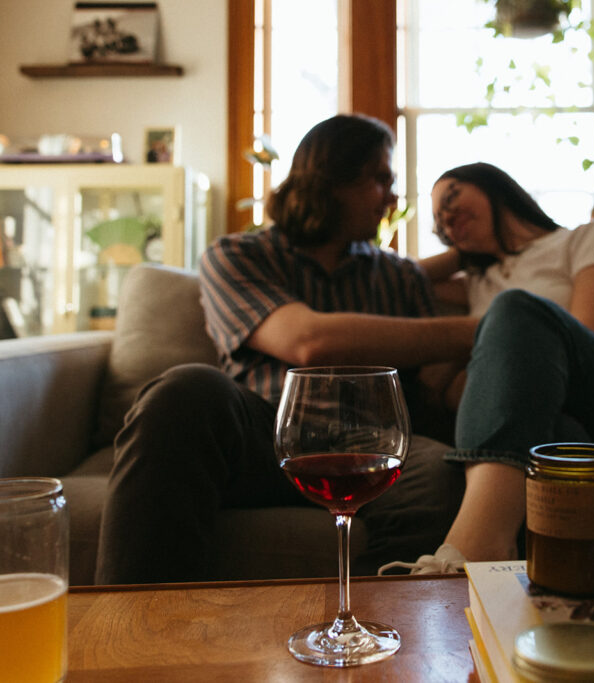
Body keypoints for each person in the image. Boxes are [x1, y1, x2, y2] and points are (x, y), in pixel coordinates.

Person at [95, 114, 477, 584]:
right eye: (380, 180)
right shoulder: (237, 255)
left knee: (435, 471)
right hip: (266, 439)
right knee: (186, 389)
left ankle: (375, 630)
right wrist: (475, 330)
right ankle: (134, 632)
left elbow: (435, 385)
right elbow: (307, 341)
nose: (391, 198)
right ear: (331, 180)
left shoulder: (401, 276)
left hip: (374, 445)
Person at [380, 162, 594, 573]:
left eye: (453, 196)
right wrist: (459, 250)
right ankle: (502, 573)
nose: (446, 215)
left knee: (516, 309)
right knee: (553, 443)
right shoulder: (478, 280)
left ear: (494, 186)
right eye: (439, 218)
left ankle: (475, 548)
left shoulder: (586, 239)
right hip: (568, 445)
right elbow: (400, 278)